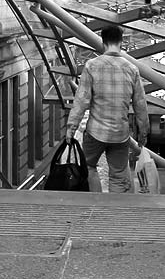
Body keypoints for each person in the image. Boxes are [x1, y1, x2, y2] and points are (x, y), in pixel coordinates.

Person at [64, 25, 149, 193]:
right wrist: (143, 133)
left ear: (103, 42)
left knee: (88, 167)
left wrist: (71, 128)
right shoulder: (132, 69)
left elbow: (81, 101)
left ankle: (97, 203)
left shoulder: (91, 66)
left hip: (96, 132)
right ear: (121, 42)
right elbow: (140, 104)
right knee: (118, 174)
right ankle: (115, 210)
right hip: (120, 134)